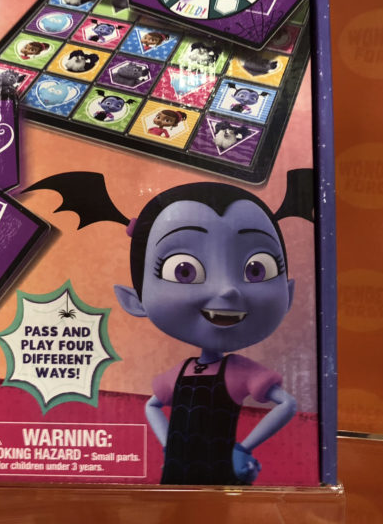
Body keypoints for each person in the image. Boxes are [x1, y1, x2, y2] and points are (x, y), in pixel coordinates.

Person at [113, 182, 299, 485]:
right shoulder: (180, 372)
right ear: (134, 300)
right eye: (183, 271)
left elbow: (288, 404)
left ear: (288, 294)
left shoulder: (240, 371)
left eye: (257, 269)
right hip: (177, 469)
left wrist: (243, 448)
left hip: (221, 470)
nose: (227, 290)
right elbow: (152, 405)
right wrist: (169, 444)